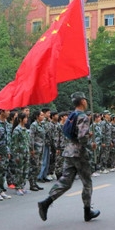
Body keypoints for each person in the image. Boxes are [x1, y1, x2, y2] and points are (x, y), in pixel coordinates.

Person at [38, 92, 100, 222]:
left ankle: (47, 202)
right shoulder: (83, 117)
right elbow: (82, 137)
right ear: (82, 101)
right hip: (80, 153)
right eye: (85, 100)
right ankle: (87, 211)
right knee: (87, 182)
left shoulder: (72, 116)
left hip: (69, 151)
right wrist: (90, 143)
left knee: (66, 181)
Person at [0, 109, 12, 200]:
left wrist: (8, 151)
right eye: (7, 111)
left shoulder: (7, 125)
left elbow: (8, 139)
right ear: (1, 112)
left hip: (5, 151)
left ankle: (1, 190)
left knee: (3, 172)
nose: (9, 112)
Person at [10, 112, 30, 196]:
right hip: (19, 153)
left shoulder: (25, 129)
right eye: (25, 118)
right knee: (19, 171)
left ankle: (22, 186)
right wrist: (16, 155)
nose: (26, 119)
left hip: (25, 152)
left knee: (25, 171)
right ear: (20, 119)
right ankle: (18, 187)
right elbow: (14, 143)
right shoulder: (17, 130)